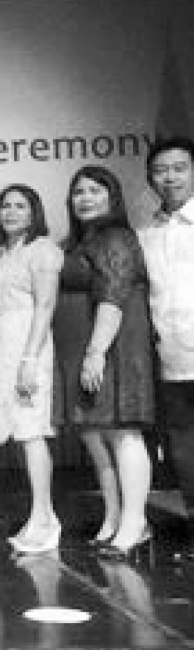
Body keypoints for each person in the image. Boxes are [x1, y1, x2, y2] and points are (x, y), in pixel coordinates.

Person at [54, 166, 155, 559]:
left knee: (123, 434)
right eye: (78, 191)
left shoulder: (115, 239)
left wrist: (96, 351)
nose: (85, 198)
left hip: (114, 348)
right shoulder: (80, 242)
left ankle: (135, 524)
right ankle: (114, 518)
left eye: (95, 190)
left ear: (112, 196)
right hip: (84, 349)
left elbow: (113, 298)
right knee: (97, 439)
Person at [0, 184, 63, 554]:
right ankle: (37, 515)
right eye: (6, 206)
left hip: (28, 346)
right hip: (3, 348)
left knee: (33, 432)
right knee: (19, 434)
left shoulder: (43, 250)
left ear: (34, 211)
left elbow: (46, 306)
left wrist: (30, 359)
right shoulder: (2, 252)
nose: (11, 212)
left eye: (20, 206)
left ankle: (46, 517)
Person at [139, 136, 194, 562]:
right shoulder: (147, 233)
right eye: (161, 170)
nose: (170, 176)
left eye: (179, 167)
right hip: (171, 359)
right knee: (183, 449)